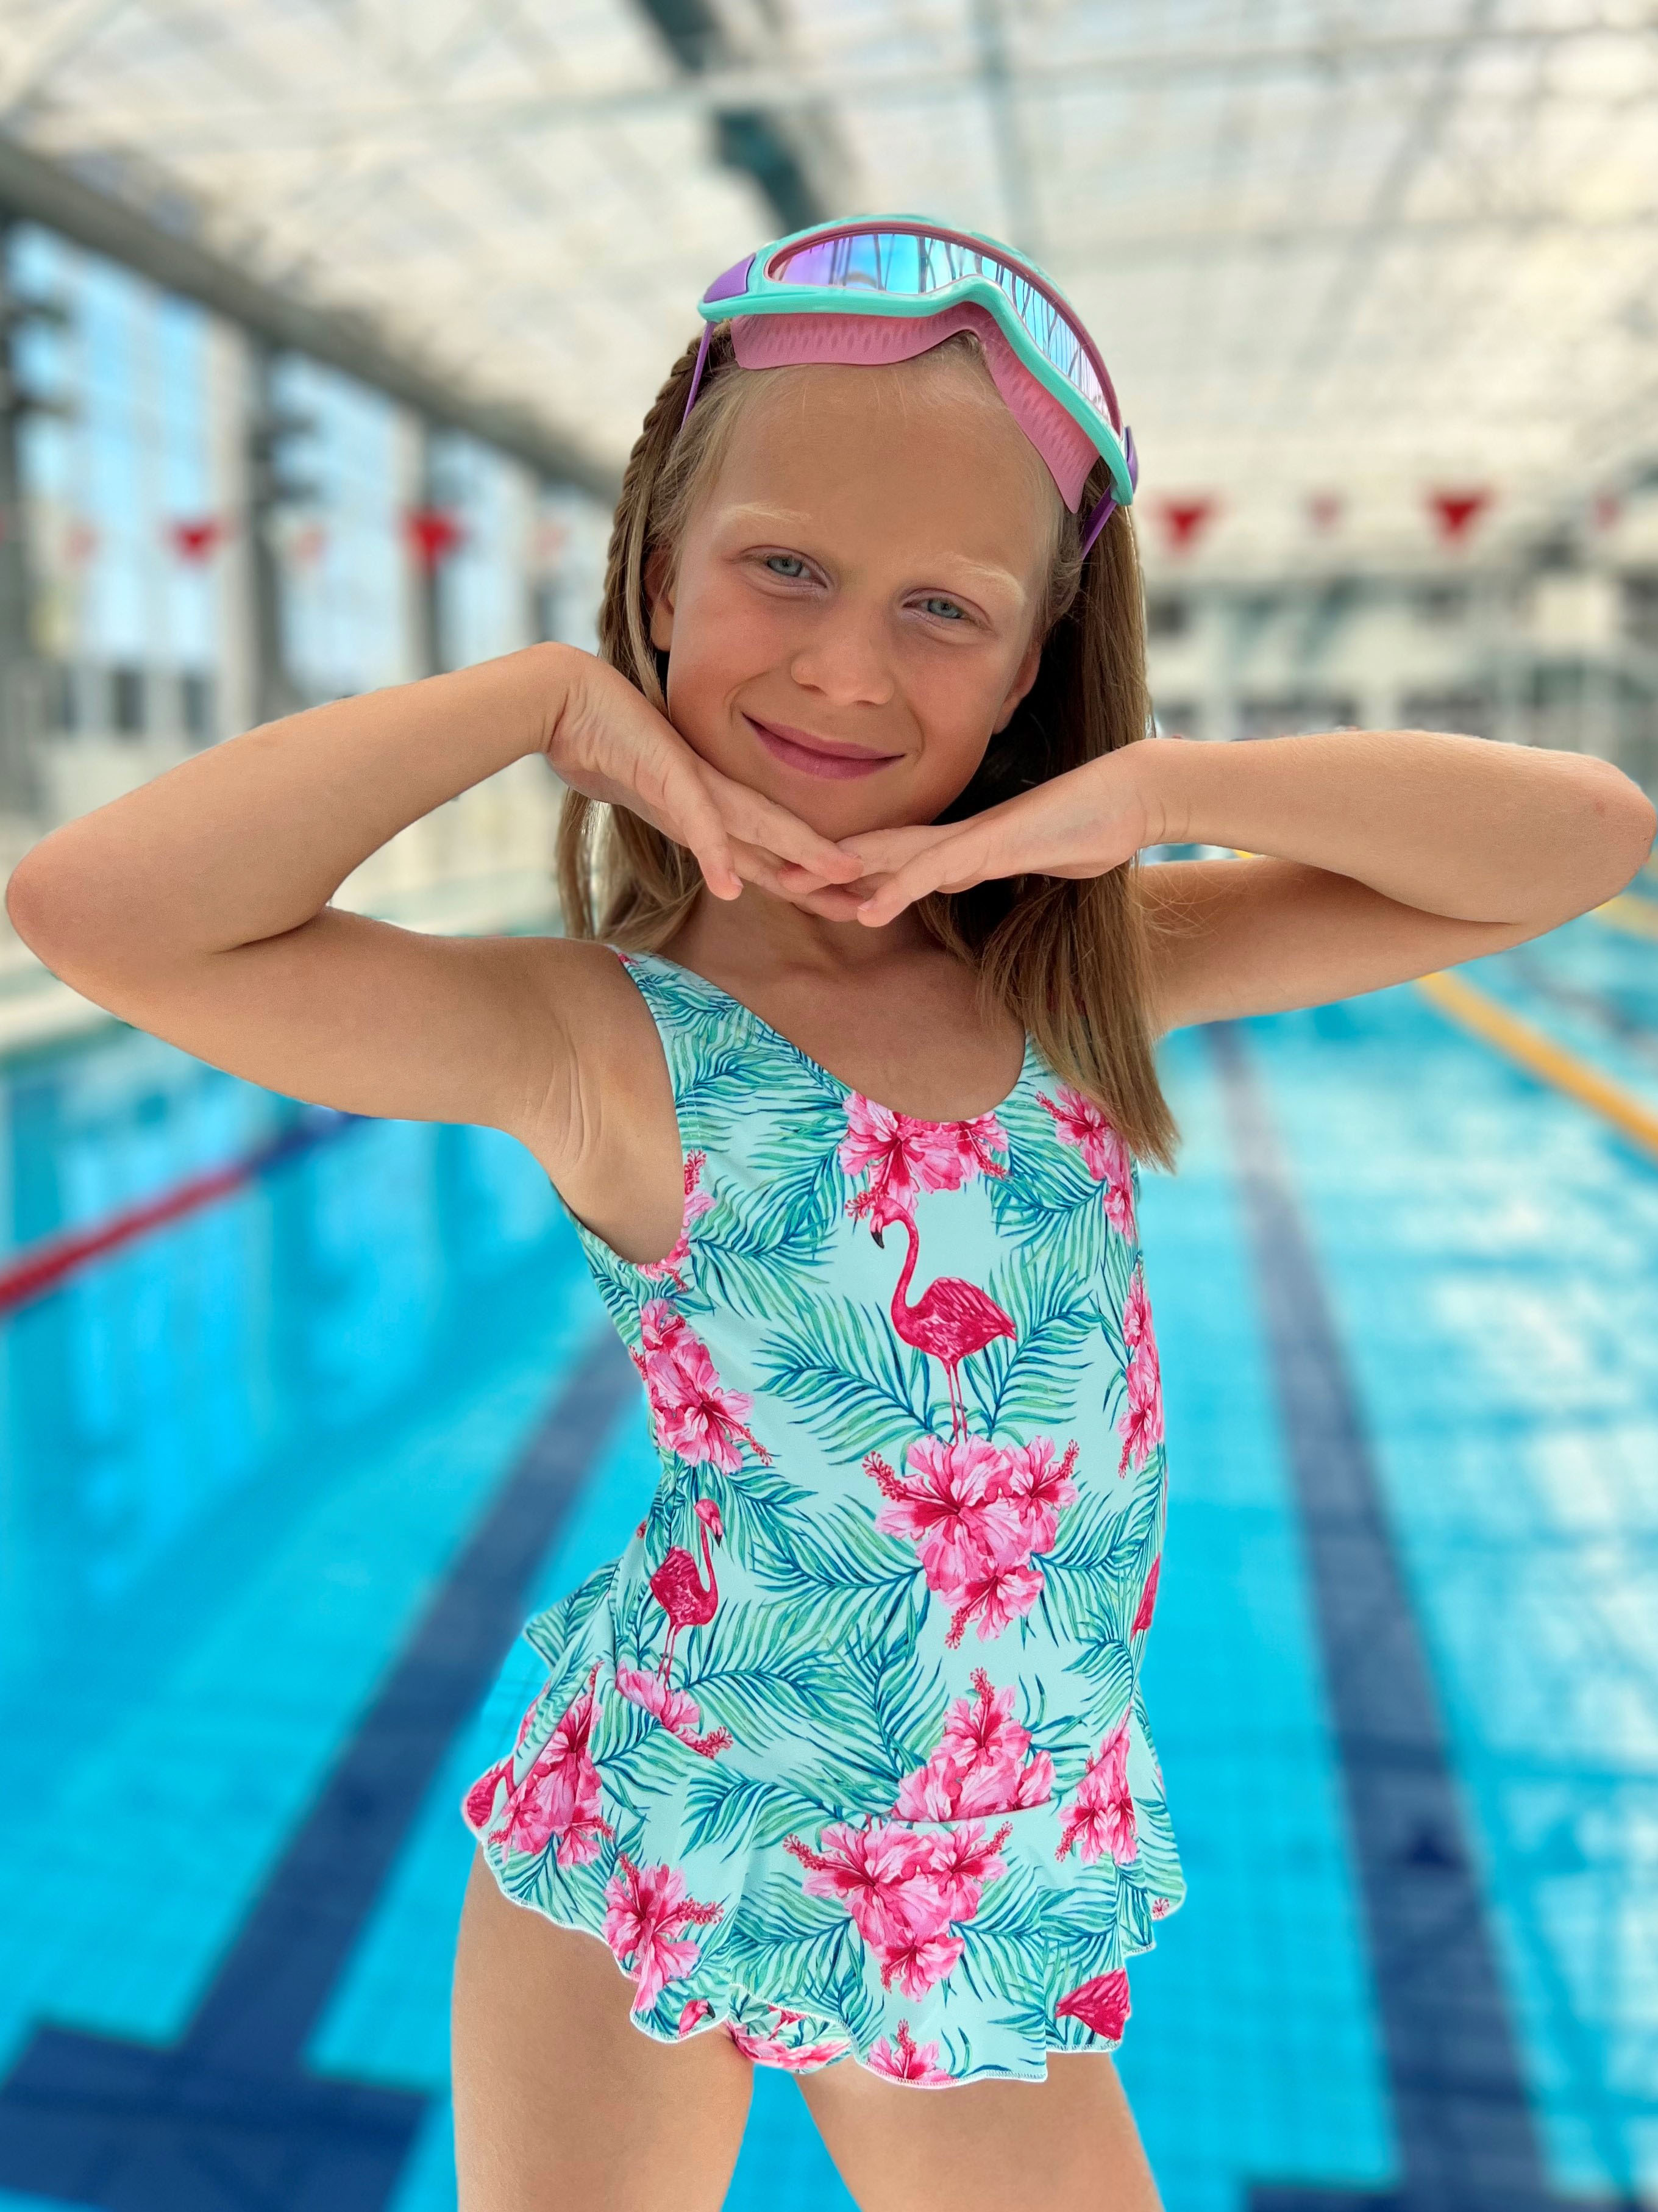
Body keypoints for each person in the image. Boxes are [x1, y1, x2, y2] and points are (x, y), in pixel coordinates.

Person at [7, 216, 1651, 2212]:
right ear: (661, 576)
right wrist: (535, 698)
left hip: (971, 1869)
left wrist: (1159, 788)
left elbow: (1582, 842)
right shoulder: (603, 1038)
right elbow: (90, 912)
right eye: (782, 563)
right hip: (660, 1830)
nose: (847, 664)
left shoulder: (1087, 970)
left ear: (1036, 663)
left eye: (945, 607)